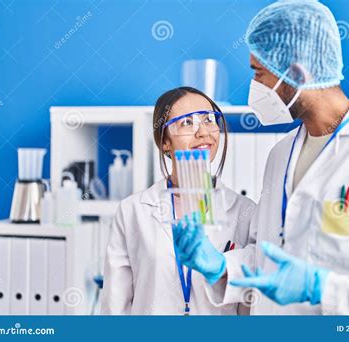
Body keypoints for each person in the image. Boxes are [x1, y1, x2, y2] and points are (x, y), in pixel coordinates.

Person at [172, 0, 349, 314]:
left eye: (259, 74)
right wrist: (219, 266)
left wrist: (323, 288)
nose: (254, 88)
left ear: (298, 73)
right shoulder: (280, 154)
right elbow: (269, 258)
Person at [101, 87, 255, 315]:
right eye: (187, 123)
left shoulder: (245, 211)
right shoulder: (133, 211)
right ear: (165, 141)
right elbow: (115, 306)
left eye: (209, 120)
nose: (203, 132)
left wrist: (224, 267)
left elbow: (251, 300)